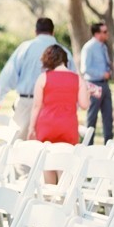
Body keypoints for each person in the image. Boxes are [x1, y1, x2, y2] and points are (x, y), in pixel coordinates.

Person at [0, 17, 75, 140]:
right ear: (53, 32)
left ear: (35, 31)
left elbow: (9, 74)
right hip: (55, 106)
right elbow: (73, 80)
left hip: (27, 103)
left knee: (18, 145)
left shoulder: (25, 48)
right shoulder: (65, 52)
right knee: (48, 146)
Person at [28, 45, 89, 182]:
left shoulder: (43, 78)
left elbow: (37, 106)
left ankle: (49, 191)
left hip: (47, 125)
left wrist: (31, 128)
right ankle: (63, 192)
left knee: (47, 164)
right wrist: (88, 94)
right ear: (65, 60)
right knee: (64, 165)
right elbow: (84, 105)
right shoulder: (77, 79)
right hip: (68, 126)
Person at [80, 21, 113, 144]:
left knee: (108, 116)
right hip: (93, 84)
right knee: (92, 116)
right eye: (104, 32)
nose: (107, 34)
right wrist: (101, 74)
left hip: (105, 84)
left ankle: (109, 145)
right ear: (97, 33)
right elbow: (85, 68)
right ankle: (88, 146)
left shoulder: (103, 47)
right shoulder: (89, 47)